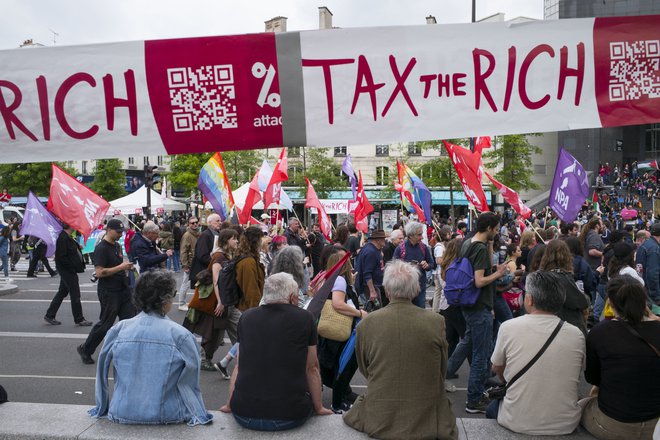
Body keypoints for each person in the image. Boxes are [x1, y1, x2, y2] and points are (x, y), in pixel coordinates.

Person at [343, 259, 458, 440]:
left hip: (380, 411)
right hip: (425, 411)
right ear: (416, 290)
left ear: (387, 291)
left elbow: (365, 368)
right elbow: (441, 368)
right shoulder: (436, 321)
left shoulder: (367, 324)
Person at [89, 271, 212, 426]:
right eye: (173, 294)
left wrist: (102, 407)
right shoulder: (181, 335)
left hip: (121, 411)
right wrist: (198, 413)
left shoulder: (119, 330)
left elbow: (102, 371)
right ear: (165, 299)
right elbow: (189, 383)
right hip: (167, 413)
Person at [220, 273, 332, 430]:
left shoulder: (246, 318)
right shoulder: (304, 318)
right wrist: (319, 407)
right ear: (293, 297)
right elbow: (311, 367)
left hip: (244, 412)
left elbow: (239, 365)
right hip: (290, 414)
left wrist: (229, 404)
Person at [488, 271, 585, 435]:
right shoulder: (576, 334)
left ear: (530, 299)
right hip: (565, 423)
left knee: (491, 408)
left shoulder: (509, 327)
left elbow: (497, 367)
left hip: (516, 420)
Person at [580, 277, 660, 439]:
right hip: (656, 425)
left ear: (611, 302)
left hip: (612, 425)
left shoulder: (600, 332)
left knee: (582, 404)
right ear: (643, 299)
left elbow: (592, 377)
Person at [446, 212, 507, 414]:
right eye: (496, 229)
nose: (497, 233)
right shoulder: (479, 248)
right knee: (481, 354)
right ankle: (474, 399)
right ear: (489, 228)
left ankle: (445, 372)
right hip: (478, 304)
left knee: (468, 342)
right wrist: (498, 274)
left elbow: (483, 267)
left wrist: (490, 248)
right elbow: (480, 280)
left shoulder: (468, 243)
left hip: (467, 303)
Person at [77, 219, 136, 365]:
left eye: (122, 232)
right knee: (105, 324)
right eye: (118, 232)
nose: (120, 235)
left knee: (129, 322)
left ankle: (125, 352)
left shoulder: (116, 246)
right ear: (109, 230)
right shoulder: (101, 248)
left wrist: (127, 269)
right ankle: (86, 349)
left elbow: (118, 265)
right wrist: (121, 268)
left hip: (122, 289)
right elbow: (99, 272)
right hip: (109, 291)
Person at [317, 248, 366, 413]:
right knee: (344, 366)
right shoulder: (339, 280)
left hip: (328, 330)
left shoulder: (327, 277)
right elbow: (338, 303)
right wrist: (360, 313)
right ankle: (339, 401)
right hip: (339, 330)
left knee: (331, 366)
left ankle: (344, 394)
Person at [183, 229, 238, 371]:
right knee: (213, 332)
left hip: (224, 300)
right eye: (234, 239)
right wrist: (220, 302)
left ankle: (207, 358)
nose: (237, 241)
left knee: (219, 331)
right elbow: (216, 281)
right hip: (215, 301)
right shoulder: (219, 257)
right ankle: (204, 359)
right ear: (226, 241)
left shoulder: (226, 255)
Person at [539, 240, 591, 335]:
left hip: (546, 325)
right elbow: (579, 302)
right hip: (566, 325)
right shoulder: (562, 277)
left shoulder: (541, 276)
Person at [44, 224, 92, 326]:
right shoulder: (63, 238)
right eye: (73, 224)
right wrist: (72, 266)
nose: (75, 226)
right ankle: (79, 319)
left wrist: (78, 247)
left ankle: (50, 315)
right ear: (70, 226)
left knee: (62, 292)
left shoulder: (67, 237)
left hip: (68, 270)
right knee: (75, 295)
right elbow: (61, 257)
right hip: (67, 271)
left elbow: (69, 251)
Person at [392, 221, 435, 308]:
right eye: (419, 235)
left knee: (420, 313)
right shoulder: (400, 248)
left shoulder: (423, 247)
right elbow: (394, 268)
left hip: (420, 288)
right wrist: (407, 267)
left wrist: (427, 266)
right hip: (404, 289)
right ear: (411, 235)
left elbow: (432, 264)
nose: (422, 237)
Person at [236, 226, 266, 311]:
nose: (261, 242)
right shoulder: (248, 262)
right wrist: (257, 311)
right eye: (260, 240)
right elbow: (251, 290)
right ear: (255, 242)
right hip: (248, 309)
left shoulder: (250, 259)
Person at [189, 213, 221, 289]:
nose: (220, 223)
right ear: (209, 223)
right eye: (217, 221)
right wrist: (216, 262)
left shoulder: (216, 234)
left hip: (209, 271)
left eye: (220, 220)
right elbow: (202, 256)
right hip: (203, 273)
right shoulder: (205, 235)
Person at [354, 229, 385, 305]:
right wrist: (372, 291)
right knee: (374, 312)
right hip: (369, 288)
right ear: (378, 240)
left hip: (375, 286)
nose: (385, 240)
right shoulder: (371, 251)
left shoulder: (373, 249)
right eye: (383, 239)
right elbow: (367, 274)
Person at [177, 217, 200, 311]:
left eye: (196, 222)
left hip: (196, 262)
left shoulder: (198, 234)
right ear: (188, 224)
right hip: (190, 264)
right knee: (185, 284)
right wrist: (185, 265)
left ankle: (195, 302)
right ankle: (181, 303)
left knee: (196, 283)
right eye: (192, 223)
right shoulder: (187, 235)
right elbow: (183, 251)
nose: (194, 224)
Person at [635, 222, 660, 308]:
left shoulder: (645, 245)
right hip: (651, 294)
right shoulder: (654, 249)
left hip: (643, 288)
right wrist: (656, 296)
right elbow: (652, 274)